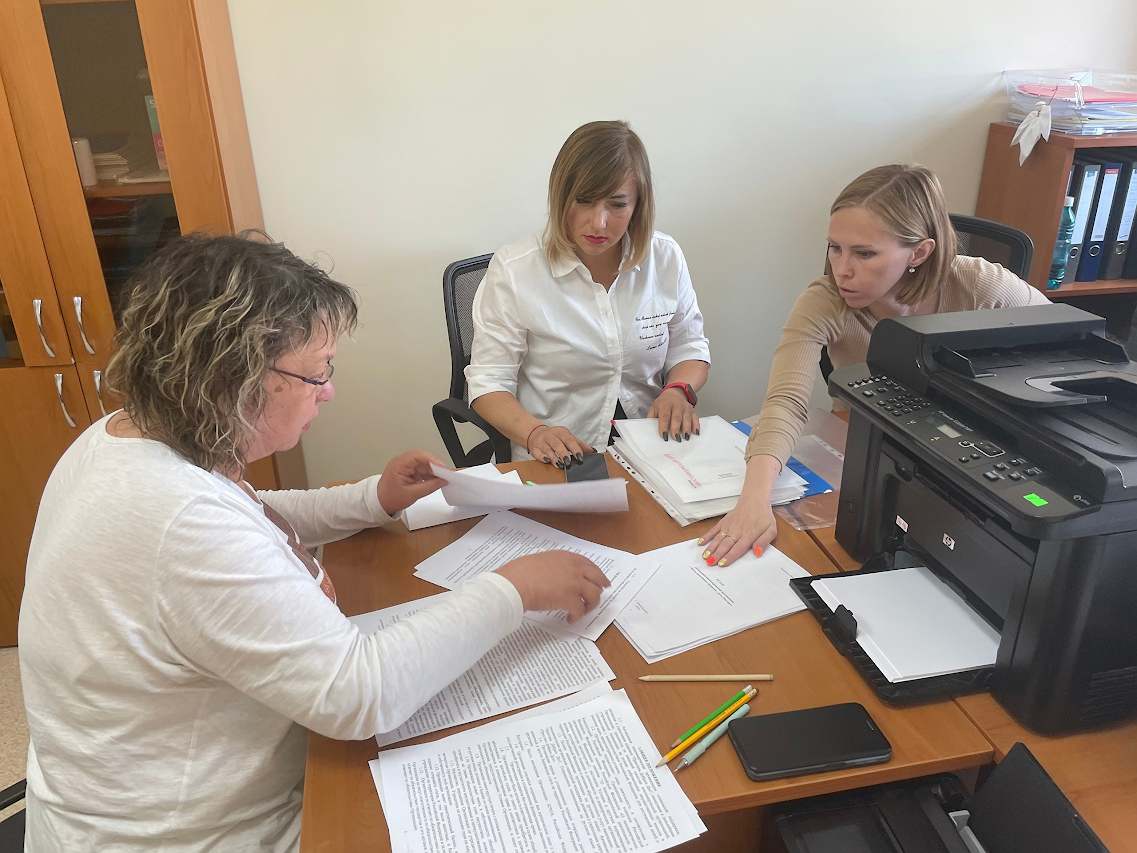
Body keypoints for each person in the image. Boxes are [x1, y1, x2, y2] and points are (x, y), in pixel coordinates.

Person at [18, 234, 610, 853]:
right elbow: (359, 695)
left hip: (138, 795)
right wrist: (514, 590)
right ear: (236, 378)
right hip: (189, 836)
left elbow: (249, 512)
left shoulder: (124, 438)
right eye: (317, 371)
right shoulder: (181, 521)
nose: (328, 391)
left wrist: (371, 498)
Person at [700, 164, 1050, 566]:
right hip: (871, 455)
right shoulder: (824, 301)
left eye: (864, 253)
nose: (841, 269)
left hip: (967, 462)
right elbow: (785, 402)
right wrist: (753, 501)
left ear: (919, 252)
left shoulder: (979, 284)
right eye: (835, 247)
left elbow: (1073, 344)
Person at [466, 120, 711, 468]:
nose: (599, 223)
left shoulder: (665, 257)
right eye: (583, 201)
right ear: (561, 196)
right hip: (554, 454)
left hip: (650, 446)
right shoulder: (515, 269)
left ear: (638, 205)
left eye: (617, 205)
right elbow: (488, 382)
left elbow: (689, 347)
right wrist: (535, 433)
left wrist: (678, 390)